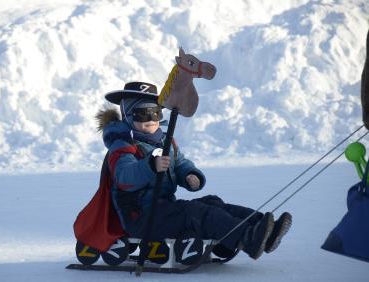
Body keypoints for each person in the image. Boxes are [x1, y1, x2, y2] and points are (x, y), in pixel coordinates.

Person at [98, 81, 292, 260]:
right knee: (197, 213)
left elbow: (180, 162)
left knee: (212, 202)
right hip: (141, 218)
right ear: (127, 116)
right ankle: (248, 238)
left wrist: (190, 174)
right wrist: (150, 166)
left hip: (164, 209)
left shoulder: (165, 141)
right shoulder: (123, 147)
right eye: (142, 114)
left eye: (155, 113)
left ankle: (262, 227)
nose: (150, 119)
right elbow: (125, 178)